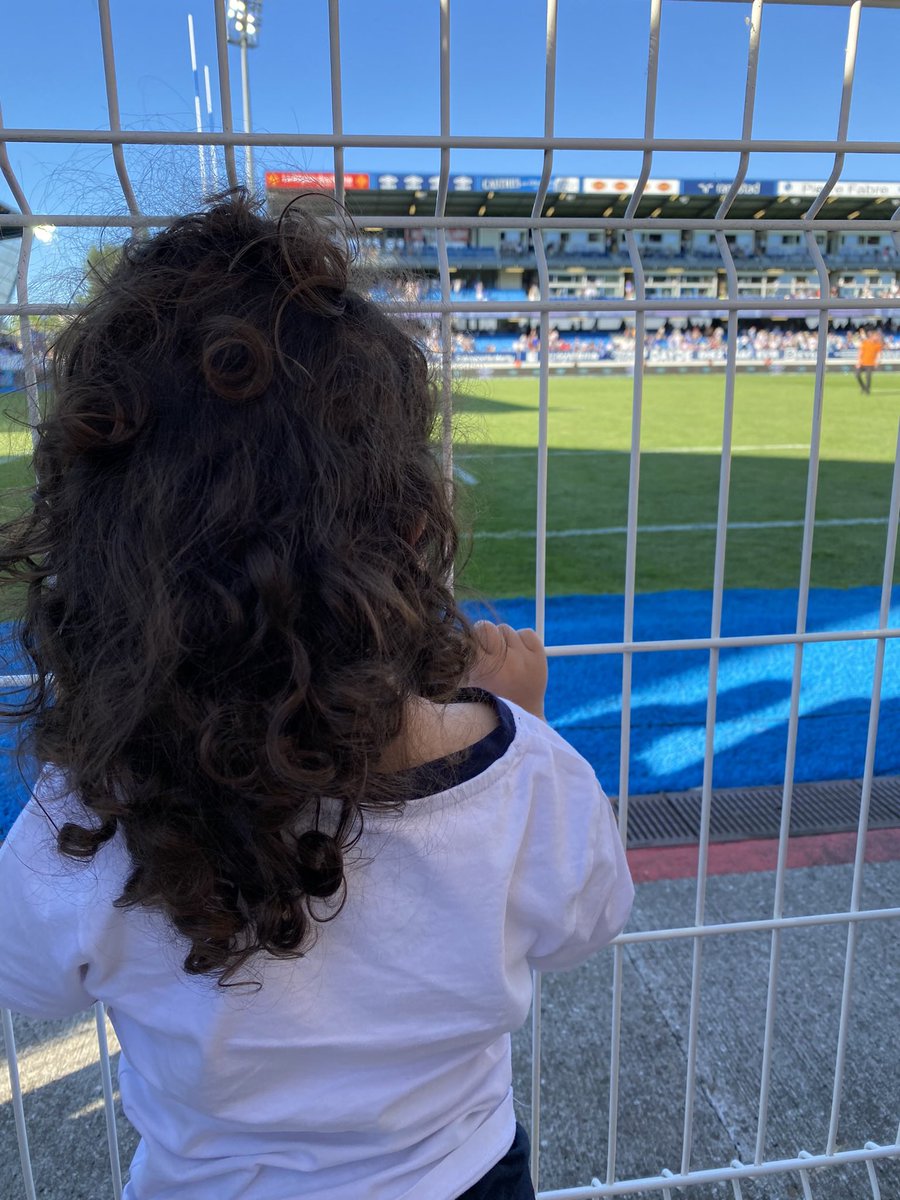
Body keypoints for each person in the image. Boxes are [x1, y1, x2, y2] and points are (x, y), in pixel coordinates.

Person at [0, 194, 633, 1200]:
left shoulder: (86, 815)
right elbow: (587, 921)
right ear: (413, 534)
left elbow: (28, 980)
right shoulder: (519, 777)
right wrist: (525, 730)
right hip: (462, 1178)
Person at [855, 326, 883, 393]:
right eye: (876, 336)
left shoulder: (878, 345)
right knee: (857, 375)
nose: (877, 338)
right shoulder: (865, 342)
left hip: (870, 364)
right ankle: (863, 387)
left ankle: (867, 390)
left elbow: (879, 354)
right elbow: (860, 352)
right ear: (872, 336)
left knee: (868, 377)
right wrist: (858, 362)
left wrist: (877, 362)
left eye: (877, 336)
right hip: (862, 363)